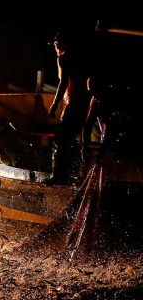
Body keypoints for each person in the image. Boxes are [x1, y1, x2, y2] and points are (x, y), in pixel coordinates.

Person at [43, 31, 91, 185]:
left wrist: (54, 104)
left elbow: (63, 83)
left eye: (57, 44)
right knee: (74, 140)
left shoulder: (64, 58)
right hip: (84, 102)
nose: (55, 48)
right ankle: (75, 175)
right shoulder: (82, 58)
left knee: (61, 139)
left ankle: (58, 177)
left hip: (74, 102)